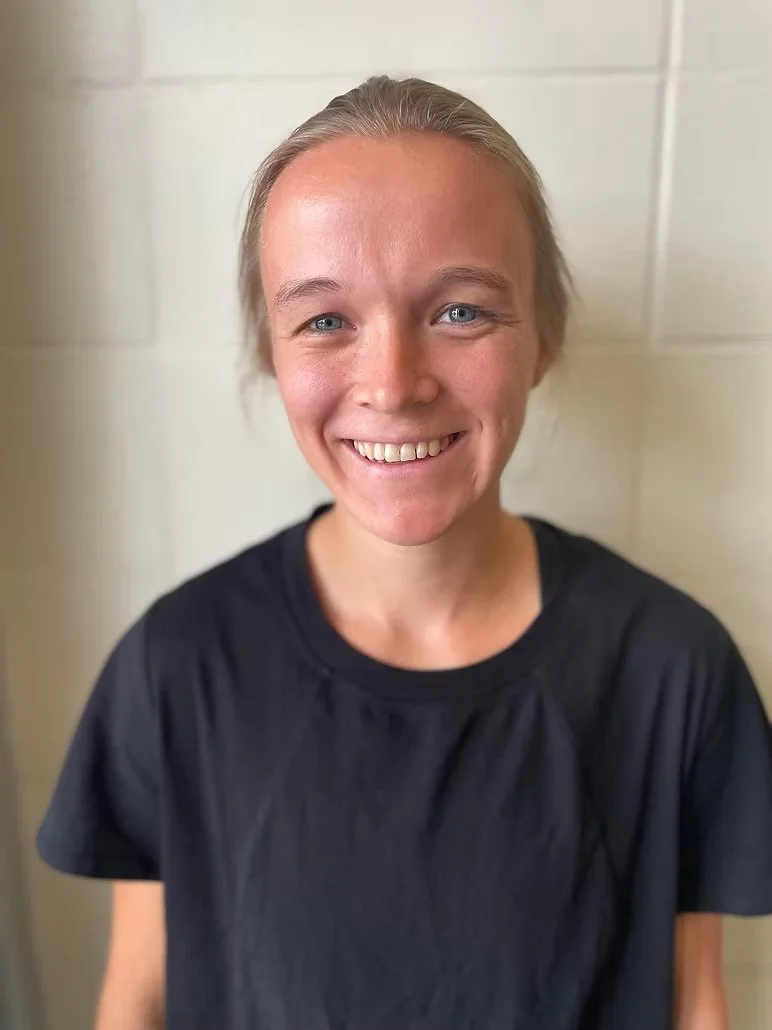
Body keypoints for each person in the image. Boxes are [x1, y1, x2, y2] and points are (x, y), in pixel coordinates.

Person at [37, 75, 772, 1030]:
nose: (392, 384)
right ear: (273, 352)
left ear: (542, 335)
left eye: (460, 311)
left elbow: (696, 1004)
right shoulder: (178, 665)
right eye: (326, 321)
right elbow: (137, 998)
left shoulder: (674, 669)